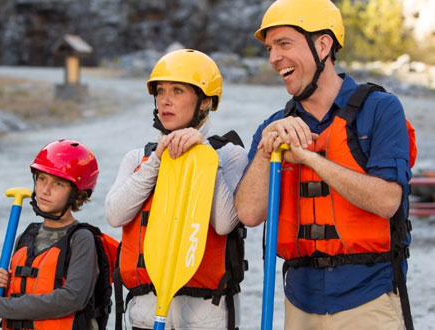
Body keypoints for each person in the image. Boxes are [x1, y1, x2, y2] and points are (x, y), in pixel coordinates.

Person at [234, 0, 414, 329]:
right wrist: (265, 151)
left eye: (284, 43)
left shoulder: (381, 110)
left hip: (368, 299)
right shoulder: (274, 126)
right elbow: (248, 213)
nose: (274, 58)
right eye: (270, 48)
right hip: (299, 302)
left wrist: (309, 159)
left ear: (323, 45)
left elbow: (388, 201)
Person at [105, 49, 249, 330]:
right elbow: (115, 214)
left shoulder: (229, 155)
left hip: (206, 315)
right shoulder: (139, 158)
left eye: (178, 91)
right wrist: (156, 161)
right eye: (160, 91)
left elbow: (223, 223)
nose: (165, 100)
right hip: (145, 314)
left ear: (205, 101)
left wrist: (204, 155)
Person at [0, 139, 116, 330]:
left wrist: (6, 307)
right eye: (41, 179)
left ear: (77, 194)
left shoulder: (81, 239)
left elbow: (72, 298)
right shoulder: (27, 235)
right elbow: (5, 296)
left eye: (58, 184)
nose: (45, 190)